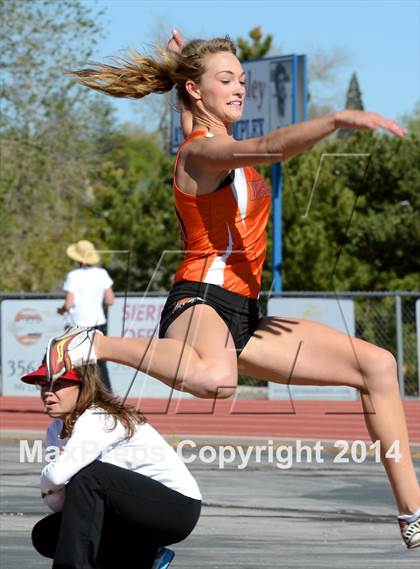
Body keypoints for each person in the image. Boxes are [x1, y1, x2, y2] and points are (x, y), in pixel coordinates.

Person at [45, 32, 419, 548]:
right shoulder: (202, 154)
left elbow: (196, 115)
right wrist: (333, 120)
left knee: (376, 365)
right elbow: (266, 148)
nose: (240, 87)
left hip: (244, 313)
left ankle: (412, 513)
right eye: (226, 80)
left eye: (242, 79)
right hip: (199, 297)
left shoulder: (203, 136)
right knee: (217, 379)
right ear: (198, 92)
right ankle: (93, 343)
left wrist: (181, 66)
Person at [21, 361, 201, 569]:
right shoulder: (55, 431)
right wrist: (59, 477)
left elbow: (55, 479)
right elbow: (59, 501)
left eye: (58, 384)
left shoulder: (99, 418)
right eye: (44, 385)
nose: (48, 393)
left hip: (175, 509)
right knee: (47, 534)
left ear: (85, 386)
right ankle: (140, 557)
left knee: (88, 475)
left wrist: (61, 473)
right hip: (128, 513)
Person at [57, 239, 114, 391]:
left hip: (76, 325)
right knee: (100, 363)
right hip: (98, 324)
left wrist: (61, 310)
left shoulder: (73, 276)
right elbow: (110, 299)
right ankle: (107, 397)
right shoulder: (102, 274)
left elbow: (68, 304)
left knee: (74, 363)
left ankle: (77, 396)